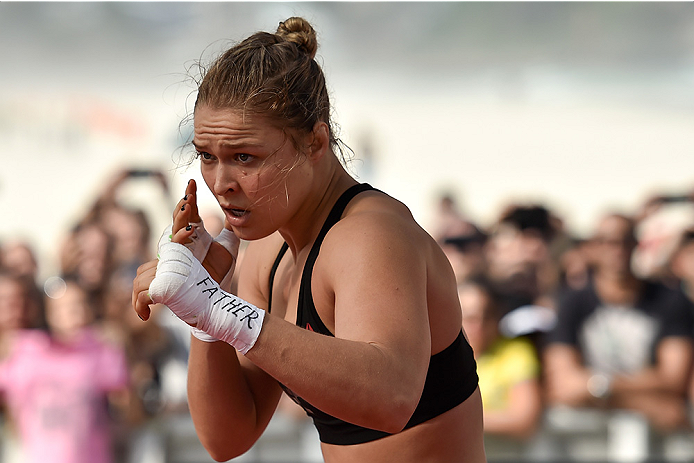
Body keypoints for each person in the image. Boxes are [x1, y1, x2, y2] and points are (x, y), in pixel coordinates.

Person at [132, 16, 485, 463]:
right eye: (207, 156)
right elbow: (228, 437)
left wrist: (219, 309)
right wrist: (202, 315)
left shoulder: (369, 235)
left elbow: (392, 397)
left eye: (245, 157)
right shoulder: (266, 250)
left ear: (316, 142)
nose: (220, 183)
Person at [543, 212, 694, 433]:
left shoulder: (670, 300)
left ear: (637, 245)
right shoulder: (572, 302)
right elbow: (563, 386)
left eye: (624, 240)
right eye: (607, 242)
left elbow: (673, 379)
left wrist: (593, 386)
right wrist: (643, 403)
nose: (617, 249)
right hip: (589, 436)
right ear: (592, 248)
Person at [0, 277, 130, 463]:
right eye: (65, 308)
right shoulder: (22, 350)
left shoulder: (101, 347)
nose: (75, 314)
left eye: (80, 305)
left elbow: (125, 403)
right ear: (47, 312)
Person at [459, 278, 543, 458]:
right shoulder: (435, 355)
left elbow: (524, 420)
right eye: (470, 318)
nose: (479, 326)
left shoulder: (517, 352)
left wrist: (456, 419)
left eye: (487, 316)